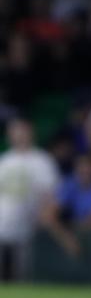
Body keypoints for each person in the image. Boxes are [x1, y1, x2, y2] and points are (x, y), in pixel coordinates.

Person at [0, 118, 60, 281]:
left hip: (25, 230)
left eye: (22, 131)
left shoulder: (41, 160)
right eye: (14, 131)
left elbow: (50, 195)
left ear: (31, 133)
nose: (18, 135)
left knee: (20, 277)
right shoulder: (4, 161)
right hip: (2, 227)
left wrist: (46, 216)